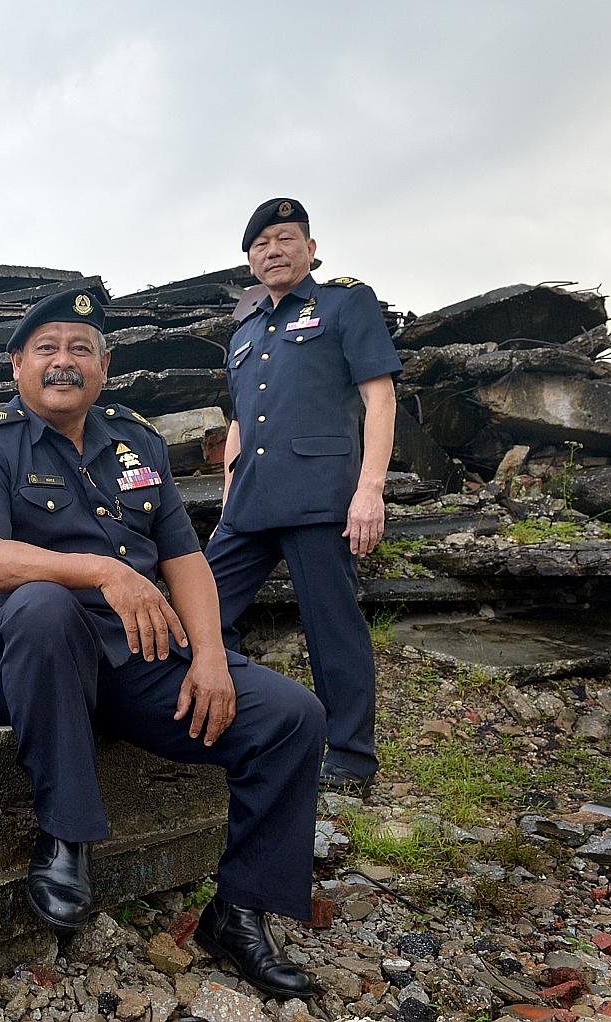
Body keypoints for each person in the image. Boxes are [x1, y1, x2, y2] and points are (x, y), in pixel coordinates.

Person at [0, 287, 324, 1000]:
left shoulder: (135, 442)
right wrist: (102, 569)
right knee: (46, 606)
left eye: (80, 349)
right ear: (18, 365)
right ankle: (65, 835)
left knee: (289, 716)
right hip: (16, 652)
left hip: (131, 656)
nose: (64, 362)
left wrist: (209, 654)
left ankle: (237, 913)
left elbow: (184, 560)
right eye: (47, 349)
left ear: (104, 366)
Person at [206, 198, 403, 798]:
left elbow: (379, 397)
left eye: (286, 238)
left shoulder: (345, 304)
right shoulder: (244, 330)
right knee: (200, 612)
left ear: (311, 249)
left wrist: (369, 491)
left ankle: (348, 758)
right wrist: (225, 504)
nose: (274, 251)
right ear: (249, 261)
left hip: (321, 495)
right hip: (251, 502)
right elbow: (239, 422)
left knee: (332, 628)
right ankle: (236, 725)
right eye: (262, 245)